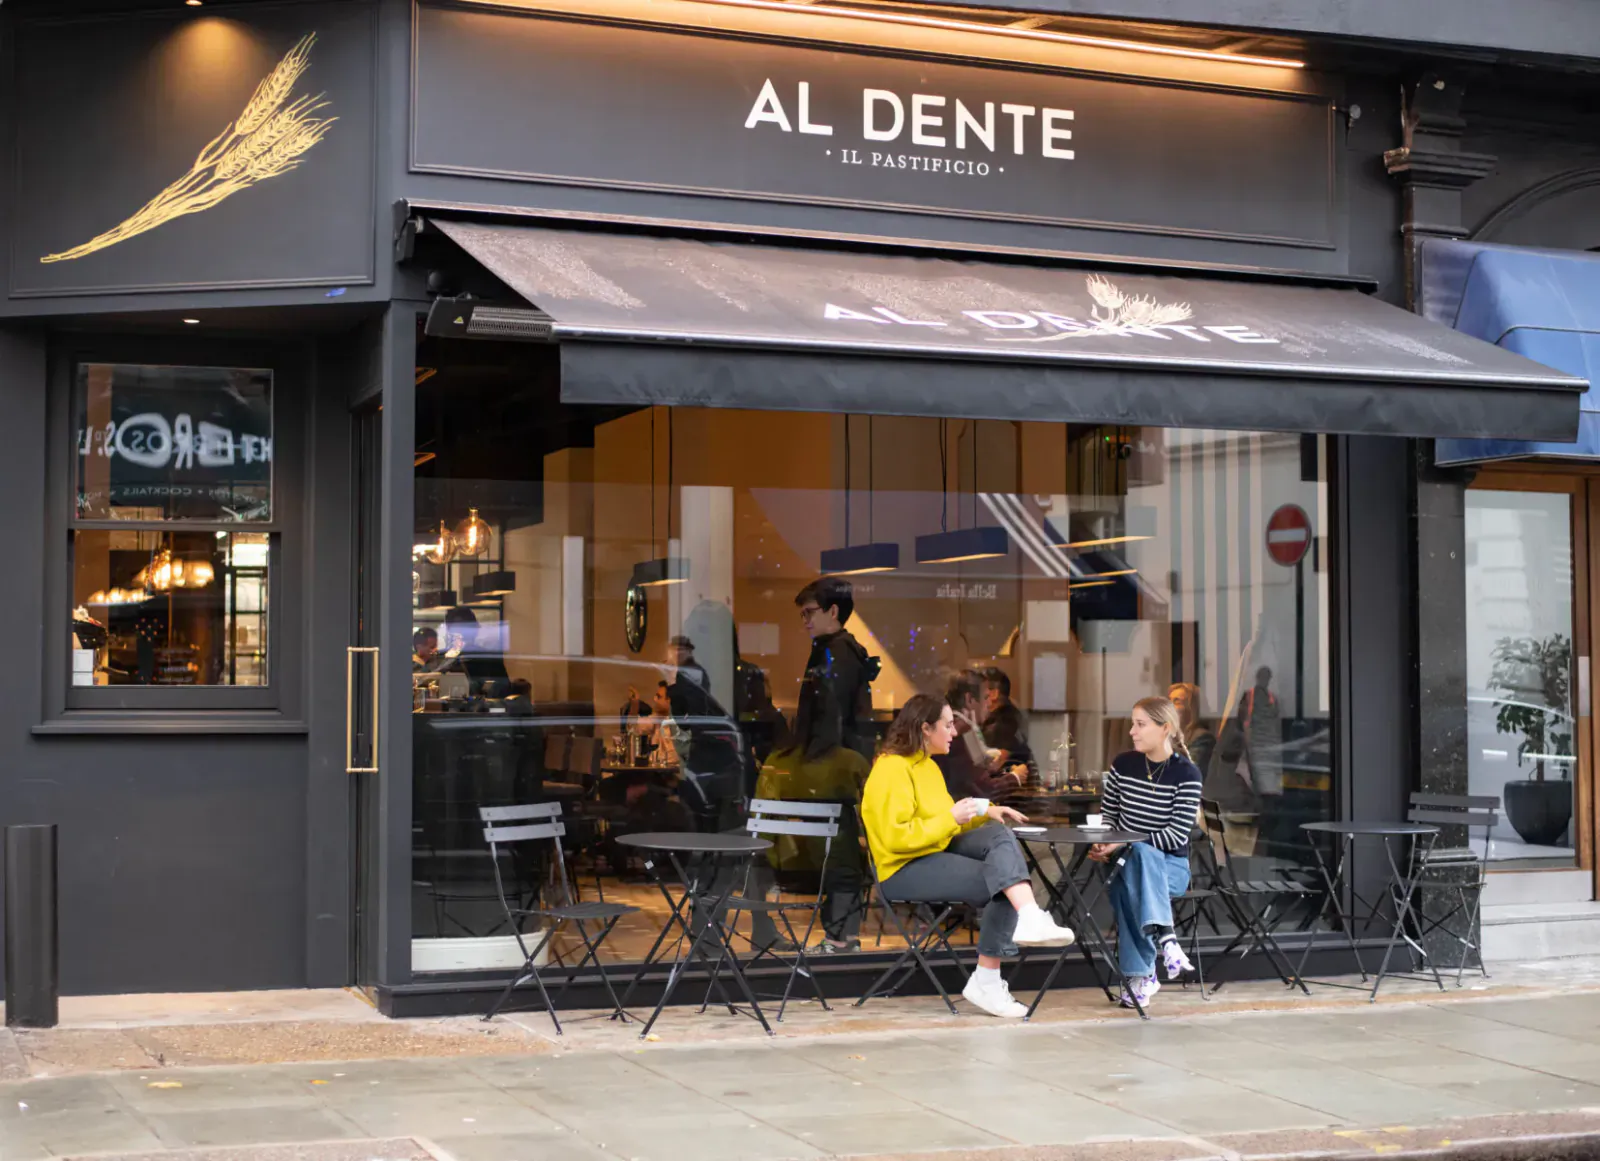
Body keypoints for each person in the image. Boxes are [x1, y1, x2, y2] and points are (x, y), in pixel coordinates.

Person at [862, 694, 1076, 1019]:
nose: (953, 732)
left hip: (932, 851)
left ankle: (1029, 915)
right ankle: (987, 980)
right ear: (924, 729)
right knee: (1000, 880)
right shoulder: (891, 770)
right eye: (947, 725)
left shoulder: (927, 767)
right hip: (902, 869)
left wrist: (989, 811)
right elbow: (897, 838)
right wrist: (952, 819)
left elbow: (946, 817)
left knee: (999, 836)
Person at [1089, 695, 1204, 1010]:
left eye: (1140, 724)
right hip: (1124, 863)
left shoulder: (1187, 774)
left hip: (1171, 869)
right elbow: (1109, 818)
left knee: (1135, 867)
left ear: (1164, 728)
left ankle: (1140, 975)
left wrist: (1126, 842)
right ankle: (1166, 941)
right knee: (1134, 860)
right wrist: (1103, 842)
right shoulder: (1123, 765)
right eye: (1132, 724)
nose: (1132, 731)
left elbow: (1175, 836)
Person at [793, 578, 882, 763]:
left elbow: (830, 718)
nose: (805, 621)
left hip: (830, 764)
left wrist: (811, 762)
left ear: (833, 611)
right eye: (802, 615)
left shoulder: (838, 654)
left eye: (809, 612)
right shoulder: (836, 649)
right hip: (836, 762)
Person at [937, 670, 1026, 801]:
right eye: (985, 698)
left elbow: (968, 779)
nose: (989, 704)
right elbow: (984, 791)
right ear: (969, 699)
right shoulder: (961, 731)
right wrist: (1015, 777)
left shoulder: (954, 728)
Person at [981, 669, 1035, 777]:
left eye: (978, 690)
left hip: (1006, 788)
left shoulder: (1004, 724)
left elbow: (993, 764)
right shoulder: (1013, 714)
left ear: (994, 694)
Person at [1167, 682, 1216, 777]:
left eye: (1176, 701)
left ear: (1193, 709)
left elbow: (1188, 774)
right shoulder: (1169, 737)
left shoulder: (1203, 738)